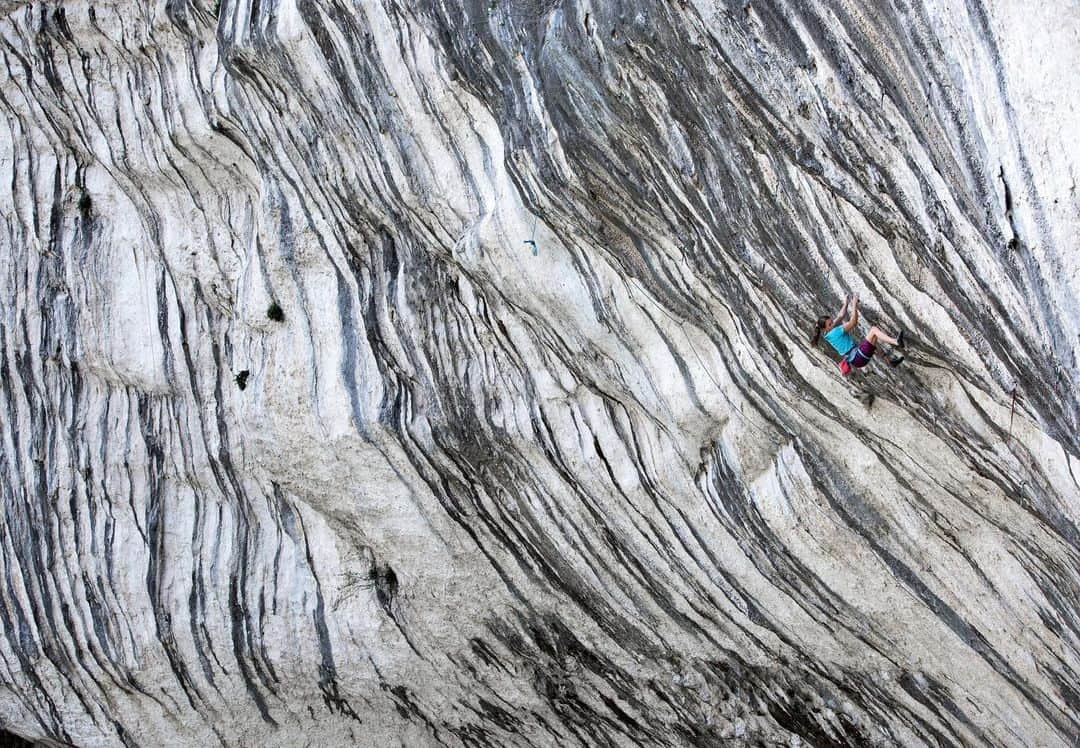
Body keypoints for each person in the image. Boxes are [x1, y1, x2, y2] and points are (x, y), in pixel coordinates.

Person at [810, 293, 904, 374]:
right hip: (858, 357)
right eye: (830, 324)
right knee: (874, 330)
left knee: (873, 338)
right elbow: (852, 323)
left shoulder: (828, 334)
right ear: (825, 328)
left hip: (857, 360)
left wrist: (846, 303)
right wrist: (854, 304)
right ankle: (896, 342)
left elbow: (840, 316)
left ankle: (890, 362)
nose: (832, 323)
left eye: (831, 321)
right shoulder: (835, 332)